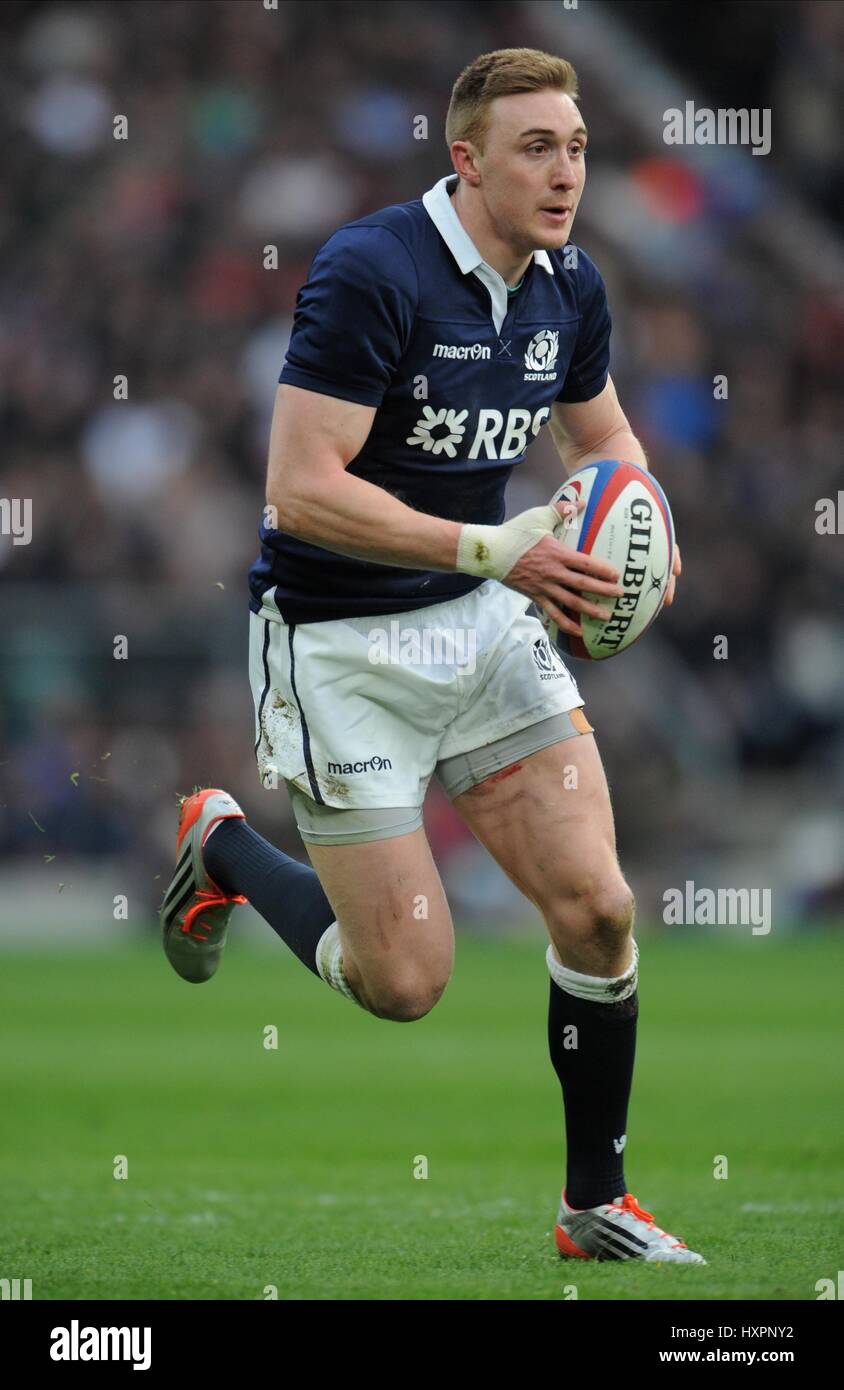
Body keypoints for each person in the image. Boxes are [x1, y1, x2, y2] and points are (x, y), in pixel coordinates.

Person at [160, 47, 700, 1265]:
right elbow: (299, 490)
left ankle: (592, 1204)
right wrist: (490, 549)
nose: (564, 172)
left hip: (483, 627)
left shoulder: (569, 284)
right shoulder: (374, 268)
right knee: (403, 982)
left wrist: (641, 534)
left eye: (573, 148)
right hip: (341, 643)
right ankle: (226, 846)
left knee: (600, 909)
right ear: (466, 160)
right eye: (534, 149)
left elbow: (605, 439)